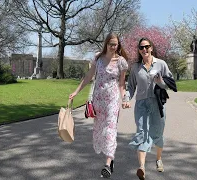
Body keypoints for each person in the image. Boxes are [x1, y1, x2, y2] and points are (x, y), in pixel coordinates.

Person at [69, 32, 129, 178]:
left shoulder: (121, 62)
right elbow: (89, 76)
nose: (113, 47)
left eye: (115, 44)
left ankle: (108, 163)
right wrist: (76, 91)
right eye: (111, 44)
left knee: (110, 129)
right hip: (98, 100)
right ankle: (111, 158)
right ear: (106, 44)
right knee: (99, 130)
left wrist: (125, 98)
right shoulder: (98, 58)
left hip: (112, 100)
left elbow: (121, 84)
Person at [123, 37, 174, 180]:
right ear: (139, 50)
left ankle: (158, 159)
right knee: (141, 133)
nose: (144, 49)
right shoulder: (135, 67)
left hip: (157, 104)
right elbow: (131, 86)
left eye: (146, 47)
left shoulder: (161, 64)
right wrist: (127, 99)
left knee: (157, 132)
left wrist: (161, 82)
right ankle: (142, 167)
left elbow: (170, 83)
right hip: (141, 105)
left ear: (151, 47)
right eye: (141, 47)